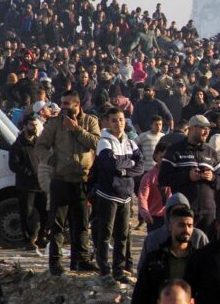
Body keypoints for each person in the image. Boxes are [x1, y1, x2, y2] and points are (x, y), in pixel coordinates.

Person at [35, 89, 101, 275]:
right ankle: (55, 263)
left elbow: (97, 143)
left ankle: (81, 261)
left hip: (82, 180)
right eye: (61, 103)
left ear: (77, 104)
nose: (62, 107)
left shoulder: (90, 121)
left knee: (80, 224)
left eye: (66, 104)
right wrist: (51, 160)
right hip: (61, 180)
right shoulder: (55, 123)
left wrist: (76, 129)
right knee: (57, 225)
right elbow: (40, 146)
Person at [130, 206, 199, 304]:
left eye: (190, 225)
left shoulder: (199, 259)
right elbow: (141, 293)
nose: (186, 230)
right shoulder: (155, 258)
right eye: (181, 225)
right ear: (170, 227)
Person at [94, 107, 143, 281]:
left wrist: (123, 168)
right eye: (114, 120)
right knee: (105, 234)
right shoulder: (104, 141)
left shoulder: (130, 142)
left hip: (126, 195)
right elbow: (110, 165)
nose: (118, 123)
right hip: (109, 194)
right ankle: (104, 269)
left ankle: (119, 270)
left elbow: (140, 165)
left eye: (121, 119)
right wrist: (127, 165)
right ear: (108, 122)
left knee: (122, 235)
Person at [159, 114, 220, 233]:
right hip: (184, 211)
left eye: (208, 129)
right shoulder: (175, 150)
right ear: (192, 128)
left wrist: (212, 177)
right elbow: (163, 178)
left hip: (208, 212)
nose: (207, 132)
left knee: (206, 248)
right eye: (203, 128)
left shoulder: (212, 153)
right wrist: (188, 176)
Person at [8, 117, 47, 254]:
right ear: (25, 126)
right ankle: (28, 240)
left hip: (41, 184)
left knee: (45, 212)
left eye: (36, 125)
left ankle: (41, 237)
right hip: (26, 185)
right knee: (27, 213)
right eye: (31, 125)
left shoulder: (39, 144)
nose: (34, 127)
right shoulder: (17, 146)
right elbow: (14, 165)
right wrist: (29, 172)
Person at [137, 142, 172, 233]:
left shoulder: (175, 174)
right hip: (155, 219)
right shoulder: (149, 176)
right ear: (156, 156)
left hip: (172, 217)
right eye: (162, 157)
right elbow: (142, 197)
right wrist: (145, 214)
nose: (165, 161)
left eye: (167, 158)